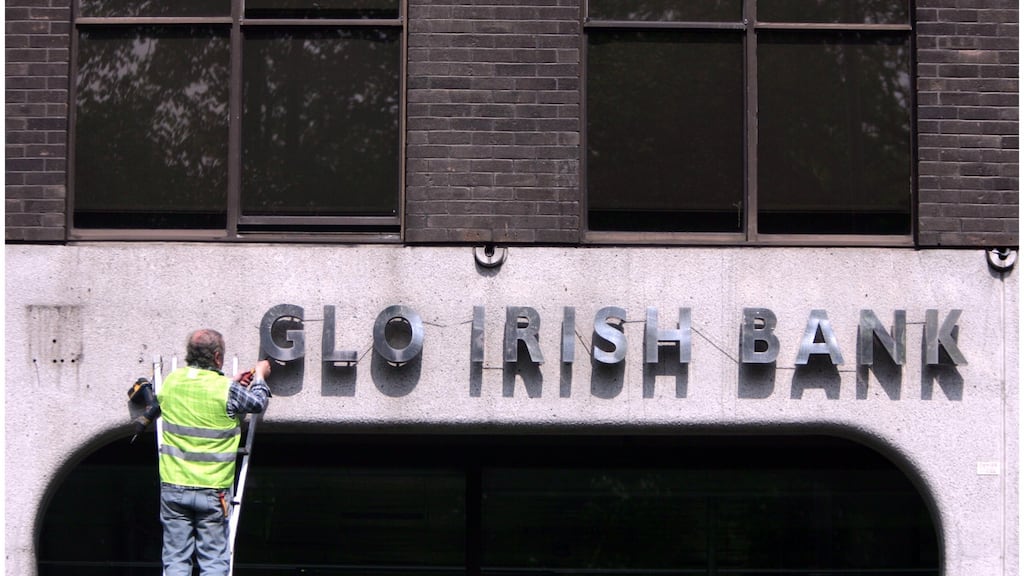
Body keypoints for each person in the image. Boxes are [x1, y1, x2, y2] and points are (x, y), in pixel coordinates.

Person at [156, 328, 271, 576]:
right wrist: (260, 376)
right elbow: (257, 404)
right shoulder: (225, 390)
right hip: (213, 489)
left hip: (173, 486)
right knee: (213, 561)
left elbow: (195, 391)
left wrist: (230, 381)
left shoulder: (172, 382)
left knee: (175, 561)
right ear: (218, 357)